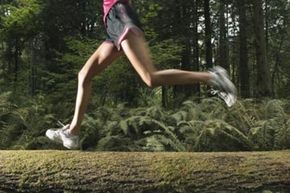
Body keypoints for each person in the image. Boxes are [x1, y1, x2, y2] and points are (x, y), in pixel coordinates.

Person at [46, 0, 237, 149]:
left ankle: (212, 78)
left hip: (120, 14)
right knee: (84, 75)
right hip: (113, 21)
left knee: (150, 78)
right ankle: (73, 132)